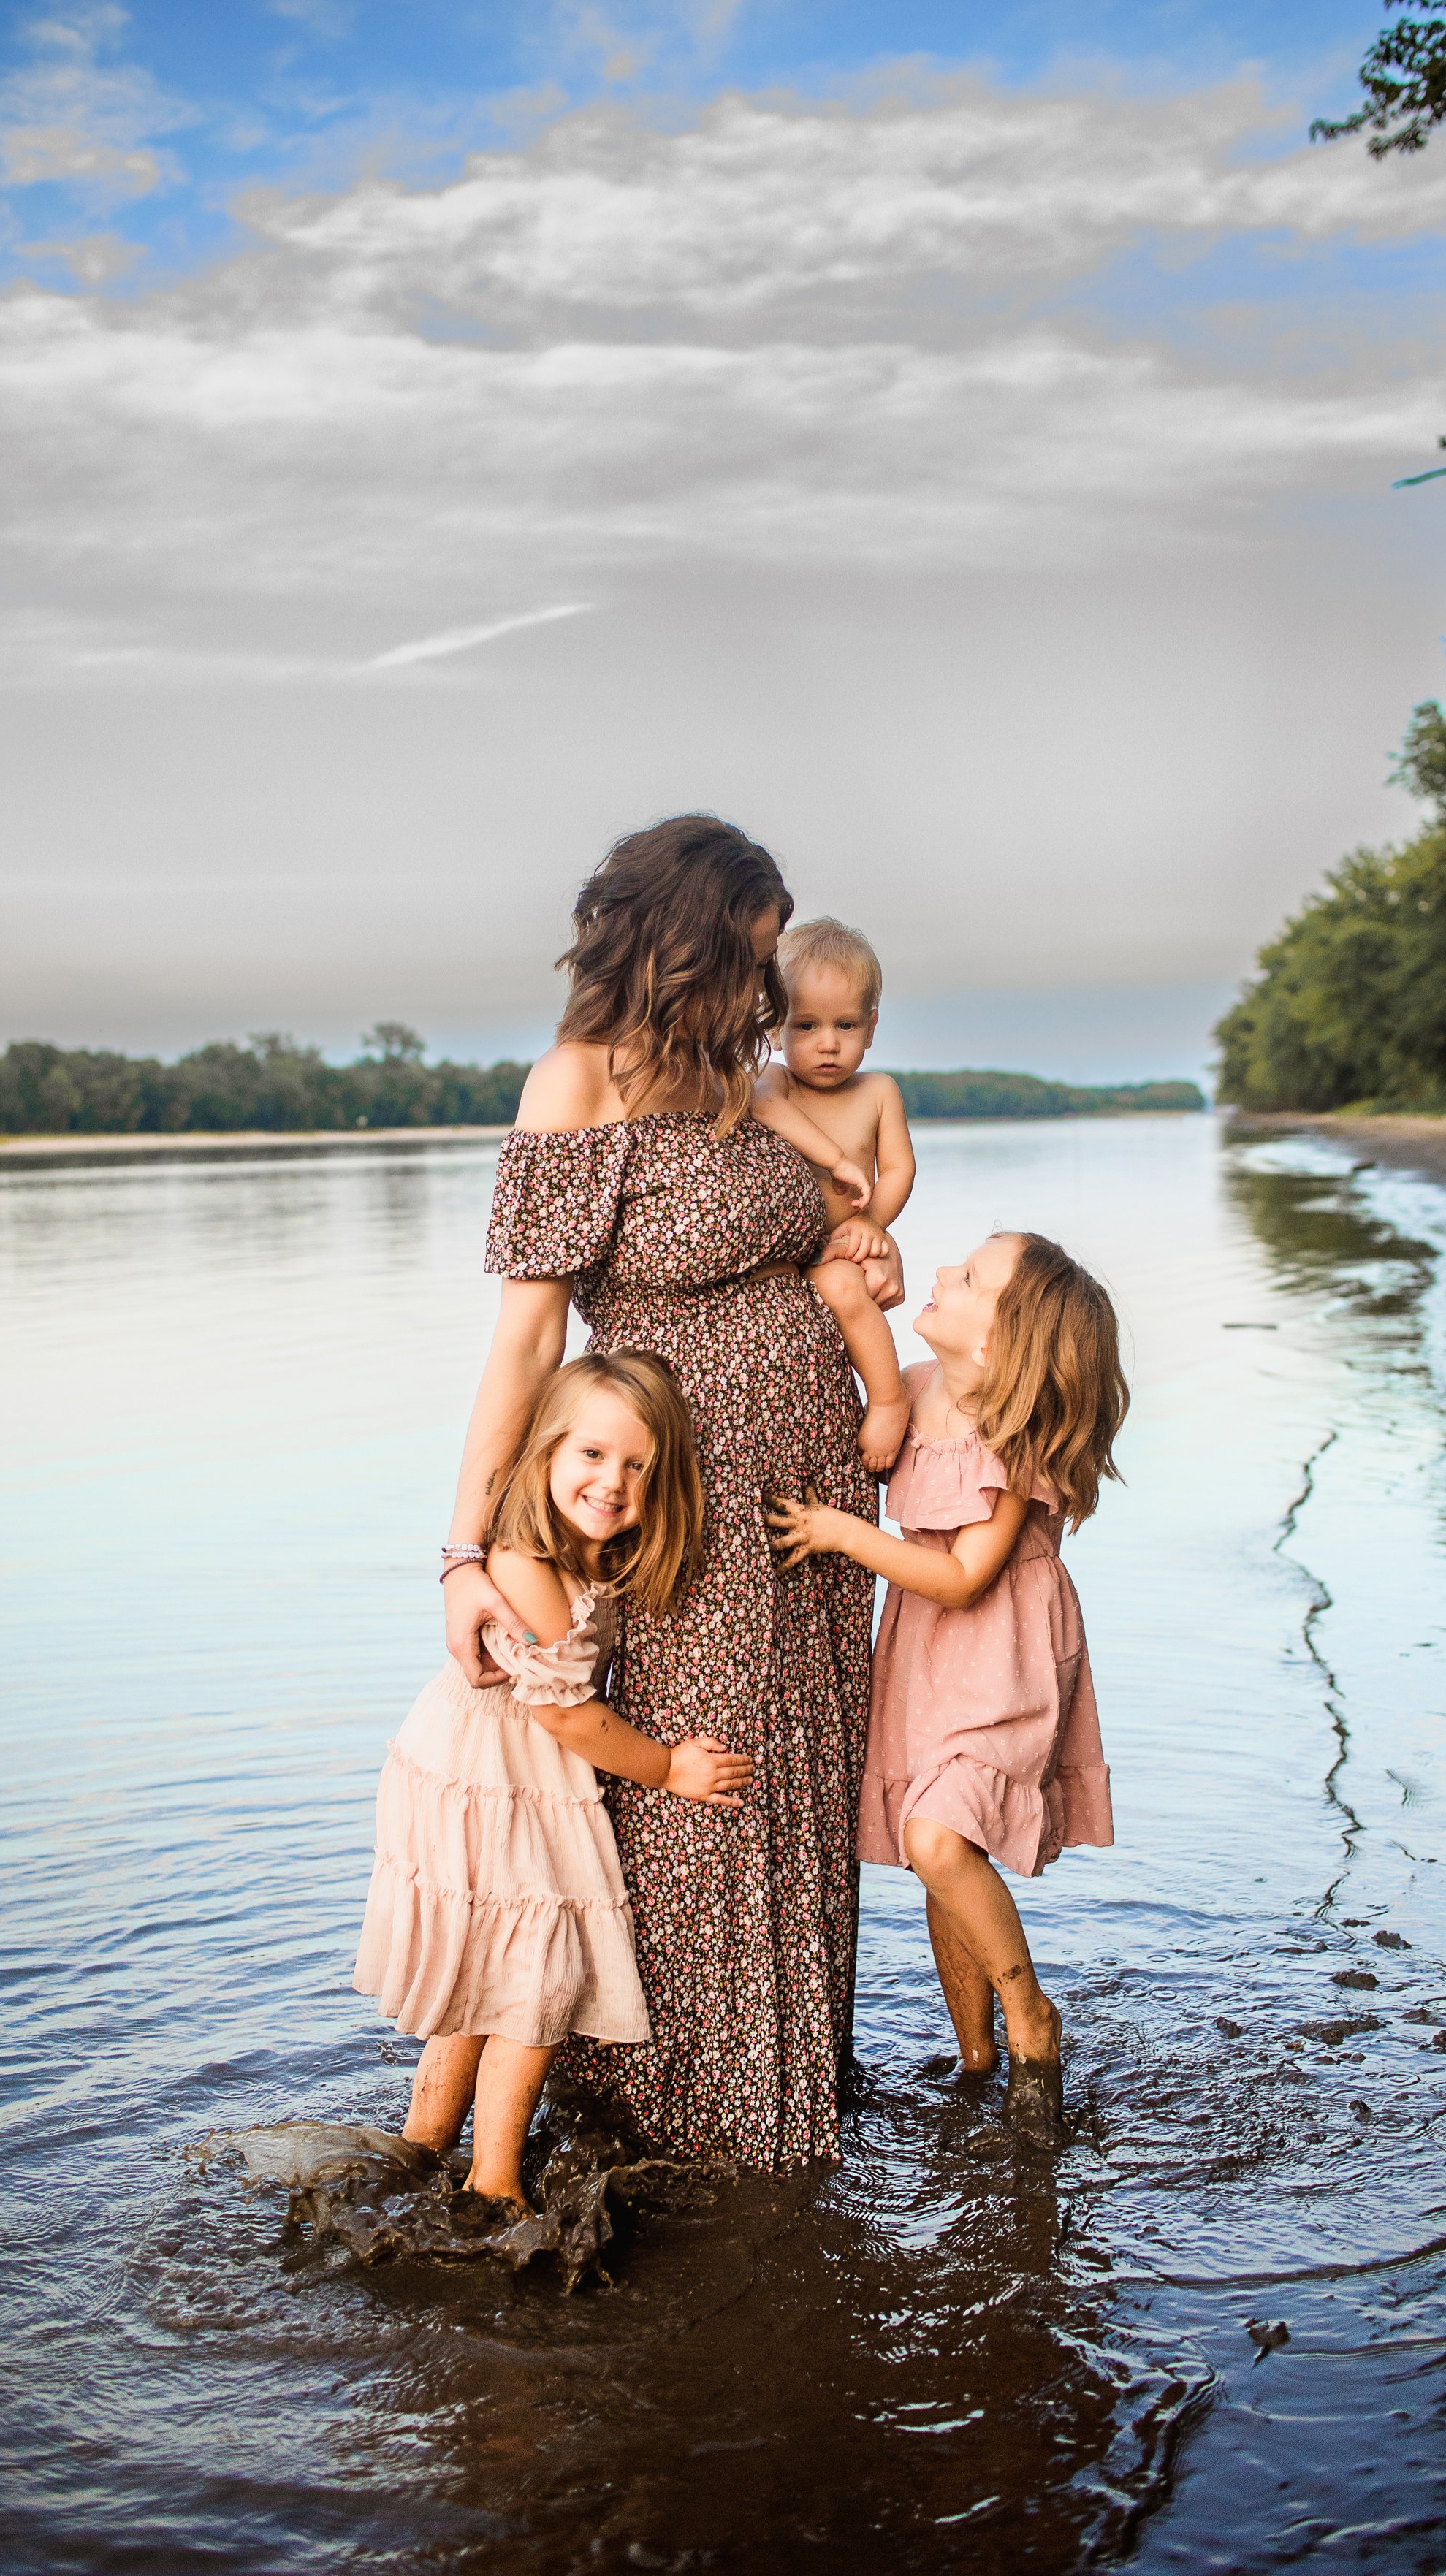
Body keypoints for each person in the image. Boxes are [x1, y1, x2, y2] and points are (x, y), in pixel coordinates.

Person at [439, 815, 881, 2173]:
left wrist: (857, 1242)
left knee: (804, 1784)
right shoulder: (576, 1082)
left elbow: (827, 1219)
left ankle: (803, 2083)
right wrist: (466, 1549)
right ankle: (690, 2121)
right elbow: (528, 1337)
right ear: (681, 939)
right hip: (680, 1497)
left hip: (812, 1503)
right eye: (747, 952)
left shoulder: (745, 1081)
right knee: (699, 1797)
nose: (765, 986)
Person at [353, 1352, 751, 2207]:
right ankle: (495, 2184)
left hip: (480, 1768)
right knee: (537, 1978)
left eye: (638, 1466)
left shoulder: (574, 1552)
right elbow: (567, 1716)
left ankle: (422, 2143)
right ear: (543, 1457)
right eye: (592, 1455)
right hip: (489, 1773)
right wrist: (668, 1766)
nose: (613, 1481)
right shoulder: (526, 1562)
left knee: (483, 1972)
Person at [768, 1232, 1125, 2141]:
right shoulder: (918, 1387)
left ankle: (1030, 2014)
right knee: (944, 1855)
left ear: (1001, 1346)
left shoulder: (1010, 1437)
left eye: (966, 1278)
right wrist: (848, 1275)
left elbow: (967, 1576)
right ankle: (975, 2057)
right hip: (926, 1652)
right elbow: (845, 1310)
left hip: (1000, 1650)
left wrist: (843, 1533)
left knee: (935, 1835)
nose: (939, 1274)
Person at [752, 918, 915, 1473]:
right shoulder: (776, 1082)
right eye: (806, 1026)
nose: (828, 1044)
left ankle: (889, 1399)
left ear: (871, 1028)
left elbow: (896, 1169)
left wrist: (876, 1224)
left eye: (846, 1025)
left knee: (847, 1288)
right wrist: (837, 1159)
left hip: (839, 1247)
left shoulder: (878, 1091)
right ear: (775, 1028)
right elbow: (765, 1109)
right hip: (780, 1256)